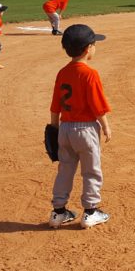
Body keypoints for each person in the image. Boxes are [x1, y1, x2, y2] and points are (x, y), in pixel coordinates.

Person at [48, 24, 112, 229]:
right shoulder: (90, 74)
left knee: (65, 169)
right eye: (94, 45)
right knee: (91, 170)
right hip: (85, 130)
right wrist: (106, 127)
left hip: (65, 129)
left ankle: (58, 212)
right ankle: (91, 212)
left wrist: (54, 128)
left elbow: (55, 105)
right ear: (88, 48)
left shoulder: (62, 72)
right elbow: (97, 106)